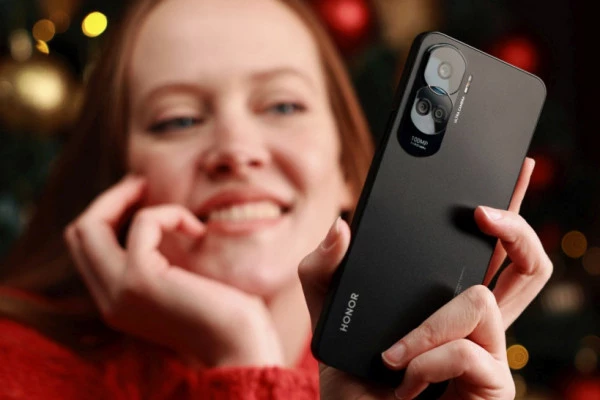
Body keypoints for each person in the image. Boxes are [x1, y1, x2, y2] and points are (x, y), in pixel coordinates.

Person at [0, 0, 552, 399]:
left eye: (283, 106)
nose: (236, 150)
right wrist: (244, 359)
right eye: (178, 120)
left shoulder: (425, 378)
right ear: (120, 175)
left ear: (347, 165)